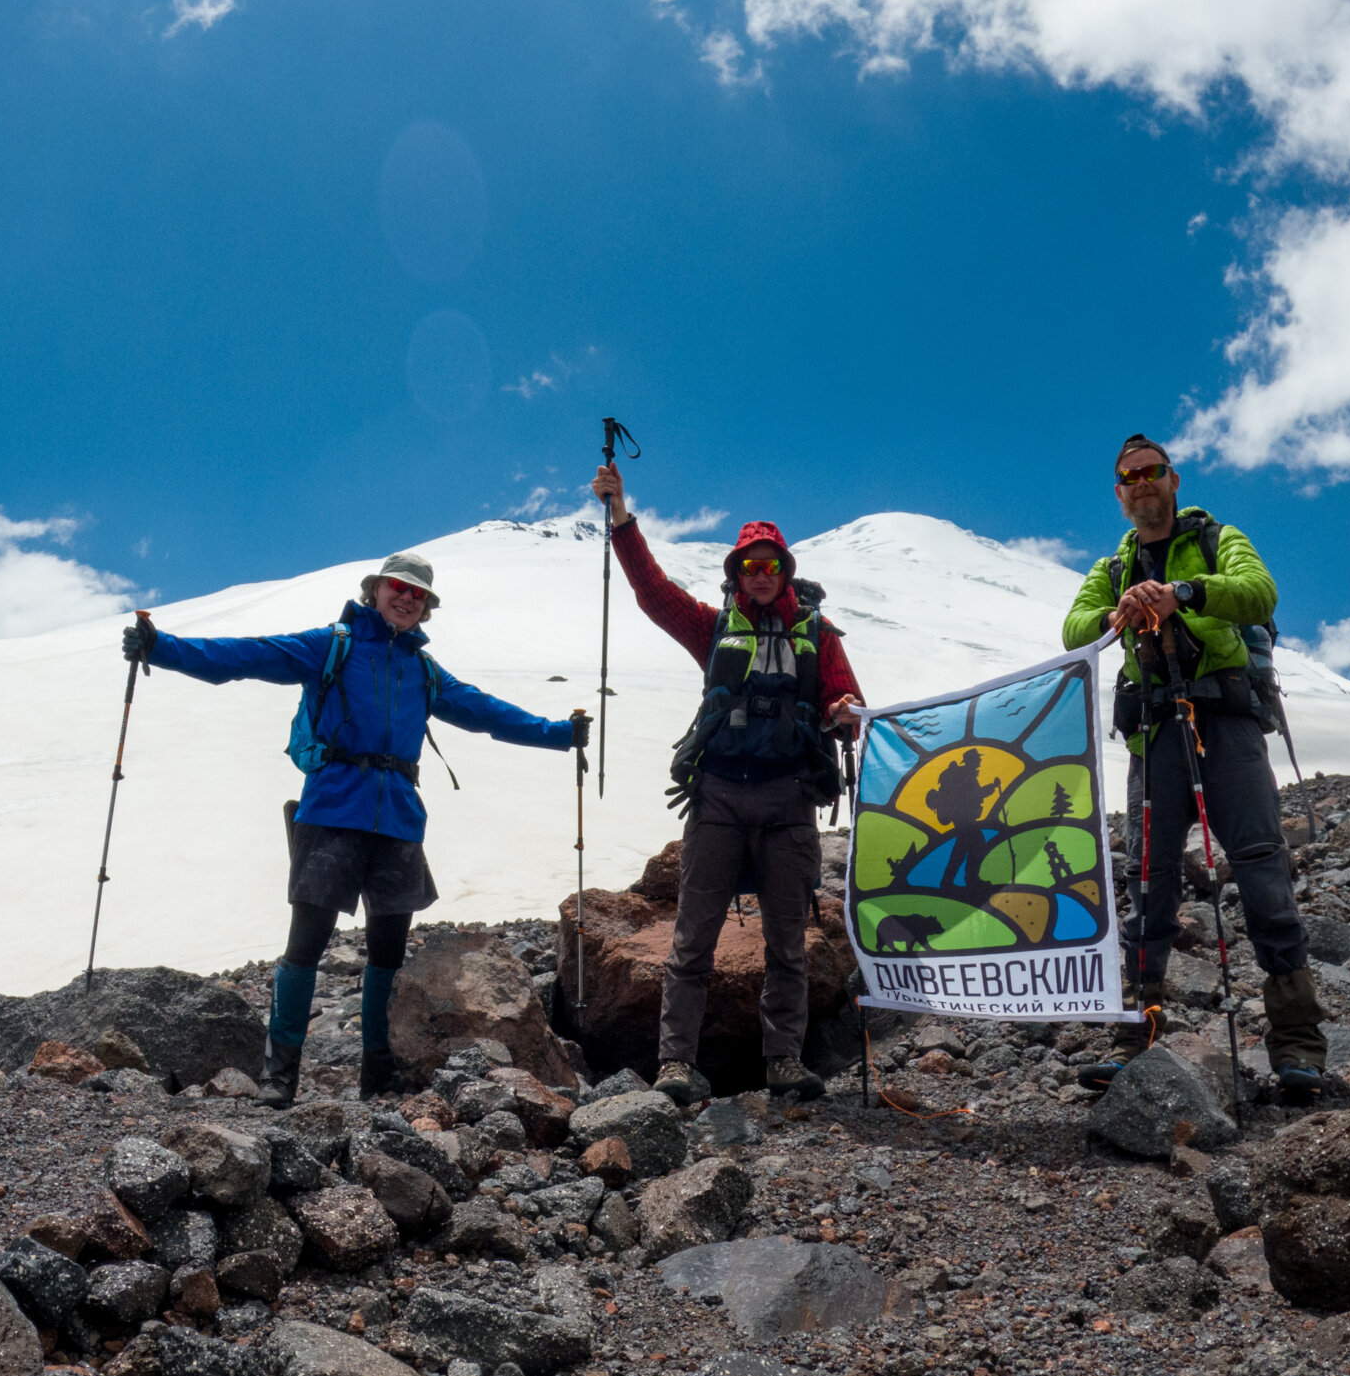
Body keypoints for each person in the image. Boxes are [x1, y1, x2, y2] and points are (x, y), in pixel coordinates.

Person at [123, 552, 585, 1107]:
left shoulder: (425, 671)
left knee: (387, 952)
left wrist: (559, 734)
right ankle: (280, 1076)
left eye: (418, 594)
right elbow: (246, 656)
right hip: (333, 810)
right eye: (399, 587)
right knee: (306, 945)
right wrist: (162, 647)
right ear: (376, 590)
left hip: (397, 820)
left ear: (426, 608)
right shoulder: (332, 644)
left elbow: (487, 713)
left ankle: (378, 1075)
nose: (407, 598)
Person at [1060, 435, 1326, 1099]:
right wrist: (1116, 613)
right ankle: (1136, 1042)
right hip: (1155, 736)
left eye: (1152, 472)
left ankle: (1298, 1045)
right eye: (1130, 477)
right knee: (1147, 884)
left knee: (1263, 870)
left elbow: (1258, 592)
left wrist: (1183, 593)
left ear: (1173, 480)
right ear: (1120, 494)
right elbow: (1074, 631)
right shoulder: (1112, 568)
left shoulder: (1217, 539)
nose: (1143, 483)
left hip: (1226, 726)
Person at [591, 461, 864, 1103]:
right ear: (736, 574)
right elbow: (654, 594)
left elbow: (845, 697)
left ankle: (783, 1062)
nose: (761, 575)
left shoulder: (818, 635)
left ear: (786, 570)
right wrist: (621, 517)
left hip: (789, 799)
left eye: (770, 565)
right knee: (692, 941)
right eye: (750, 566)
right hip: (718, 796)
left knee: (788, 946)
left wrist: (842, 710)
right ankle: (677, 1065)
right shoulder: (713, 628)